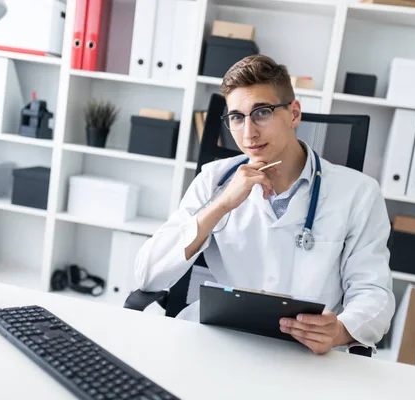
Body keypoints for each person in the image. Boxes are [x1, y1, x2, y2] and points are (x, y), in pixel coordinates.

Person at [134, 54, 395, 355]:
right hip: (226, 343)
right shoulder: (215, 181)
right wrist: (221, 205)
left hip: (306, 353)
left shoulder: (358, 193)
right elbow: (148, 274)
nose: (248, 133)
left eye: (262, 112)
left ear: (294, 114)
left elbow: (374, 294)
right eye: (236, 117)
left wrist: (340, 330)